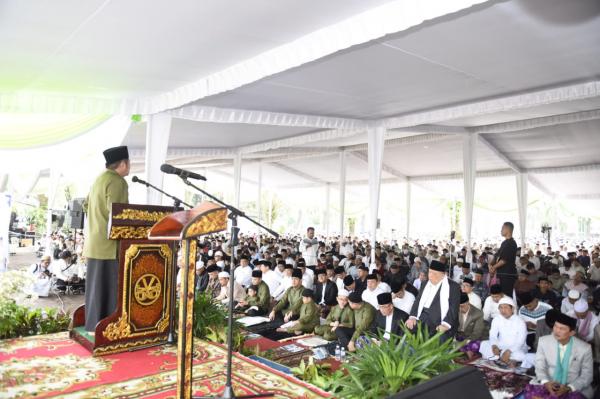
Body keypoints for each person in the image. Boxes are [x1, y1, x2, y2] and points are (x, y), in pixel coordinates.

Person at [83, 145, 129, 332]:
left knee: (95, 289)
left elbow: (86, 205)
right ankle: (108, 329)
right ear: (124, 164)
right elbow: (119, 213)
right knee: (109, 290)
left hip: (94, 242)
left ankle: (92, 326)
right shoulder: (117, 181)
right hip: (110, 245)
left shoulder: (98, 179)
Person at [527, 312, 593, 398]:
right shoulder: (543, 341)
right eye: (555, 326)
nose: (556, 331)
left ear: (572, 333)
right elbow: (540, 366)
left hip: (571, 385)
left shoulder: (584, 348)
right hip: (549, 381)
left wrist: (569, 388)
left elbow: (587, 375)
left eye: (562, 329)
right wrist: (545, 382)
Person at [406, 260, 461, 340]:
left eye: (434, 274)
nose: (430, 276)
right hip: (423, 316)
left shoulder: (453, 287)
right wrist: (412, 317)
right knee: (409, 327)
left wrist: (446, 324)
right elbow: (417, 301)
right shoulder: (425, 283)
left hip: (440, 319)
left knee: (440, 338)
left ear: (443, 275)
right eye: (430, 272)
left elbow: (453, 308)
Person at [479, 297, 533, 367]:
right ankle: (507, 359)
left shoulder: (520, 321)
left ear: (512, 309)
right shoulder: (497, 319)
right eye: (501, 308)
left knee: (520, 355)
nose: (503, 310)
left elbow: (520, 341)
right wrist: (494, 346)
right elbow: (492, 335)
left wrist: (509, 351)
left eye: (505, 307)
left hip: (516, 348)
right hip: (501, 345)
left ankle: (500, 358)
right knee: (483, 344)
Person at [489, 222, 518, 298]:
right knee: (500, 295)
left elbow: (504, 260)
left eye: (502, 228)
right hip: (501, 273)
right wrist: (490, 265)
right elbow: (497, 256)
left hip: (507, 274)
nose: (501, 230)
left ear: (507, 229)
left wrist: (493, 268)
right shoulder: (504, 243)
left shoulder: (512, 243)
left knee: (506, 296)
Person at [457, 293, 487, 357]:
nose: (460, 309)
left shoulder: (478, 313)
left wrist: (465, 342)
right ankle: (464, 350)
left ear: (468, 303)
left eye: (462, 306)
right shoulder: (455, 310)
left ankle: (465, 350)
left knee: (475, 345)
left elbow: (477, 332)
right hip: (459, 336)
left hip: (471, 337)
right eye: (458, 306)